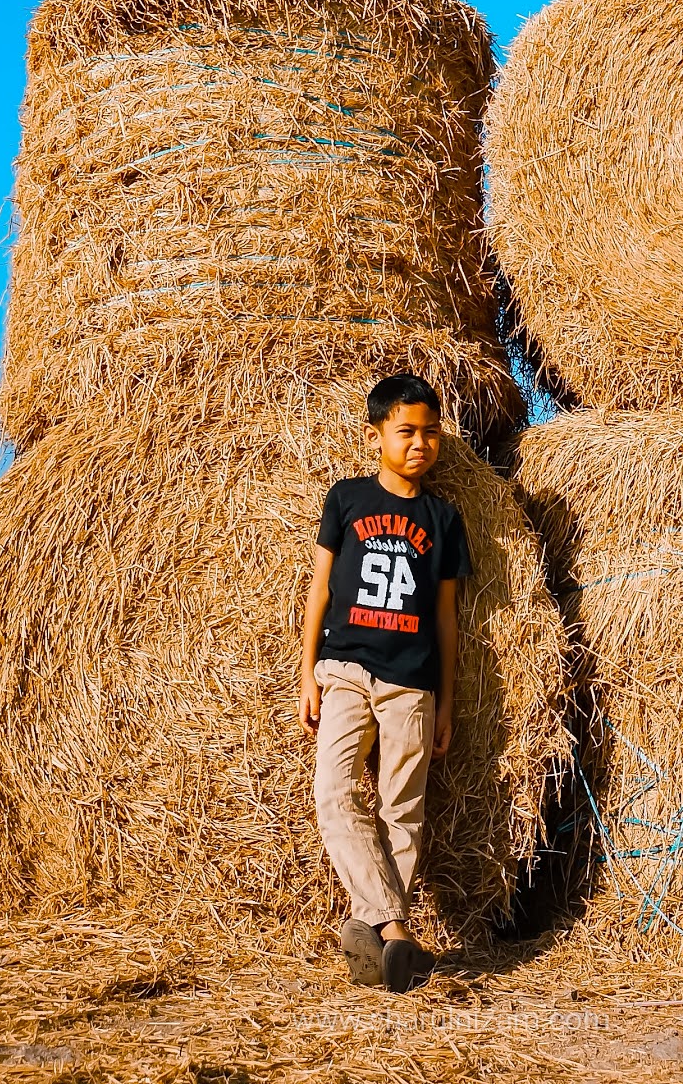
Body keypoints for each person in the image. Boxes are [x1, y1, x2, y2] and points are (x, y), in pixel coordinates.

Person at [298, 373, 471, 993]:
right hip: (344, 671)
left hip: (412, 684)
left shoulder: (445, 520)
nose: (420, 442)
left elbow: (447, 618)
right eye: (406, 431)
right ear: (377, 436)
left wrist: (447, 700)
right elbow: (319, 588)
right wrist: (307, 670)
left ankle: (372, 933)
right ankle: (394, 924)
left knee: (404, 810)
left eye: (430, 431)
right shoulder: (346, 499)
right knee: (334, 793)